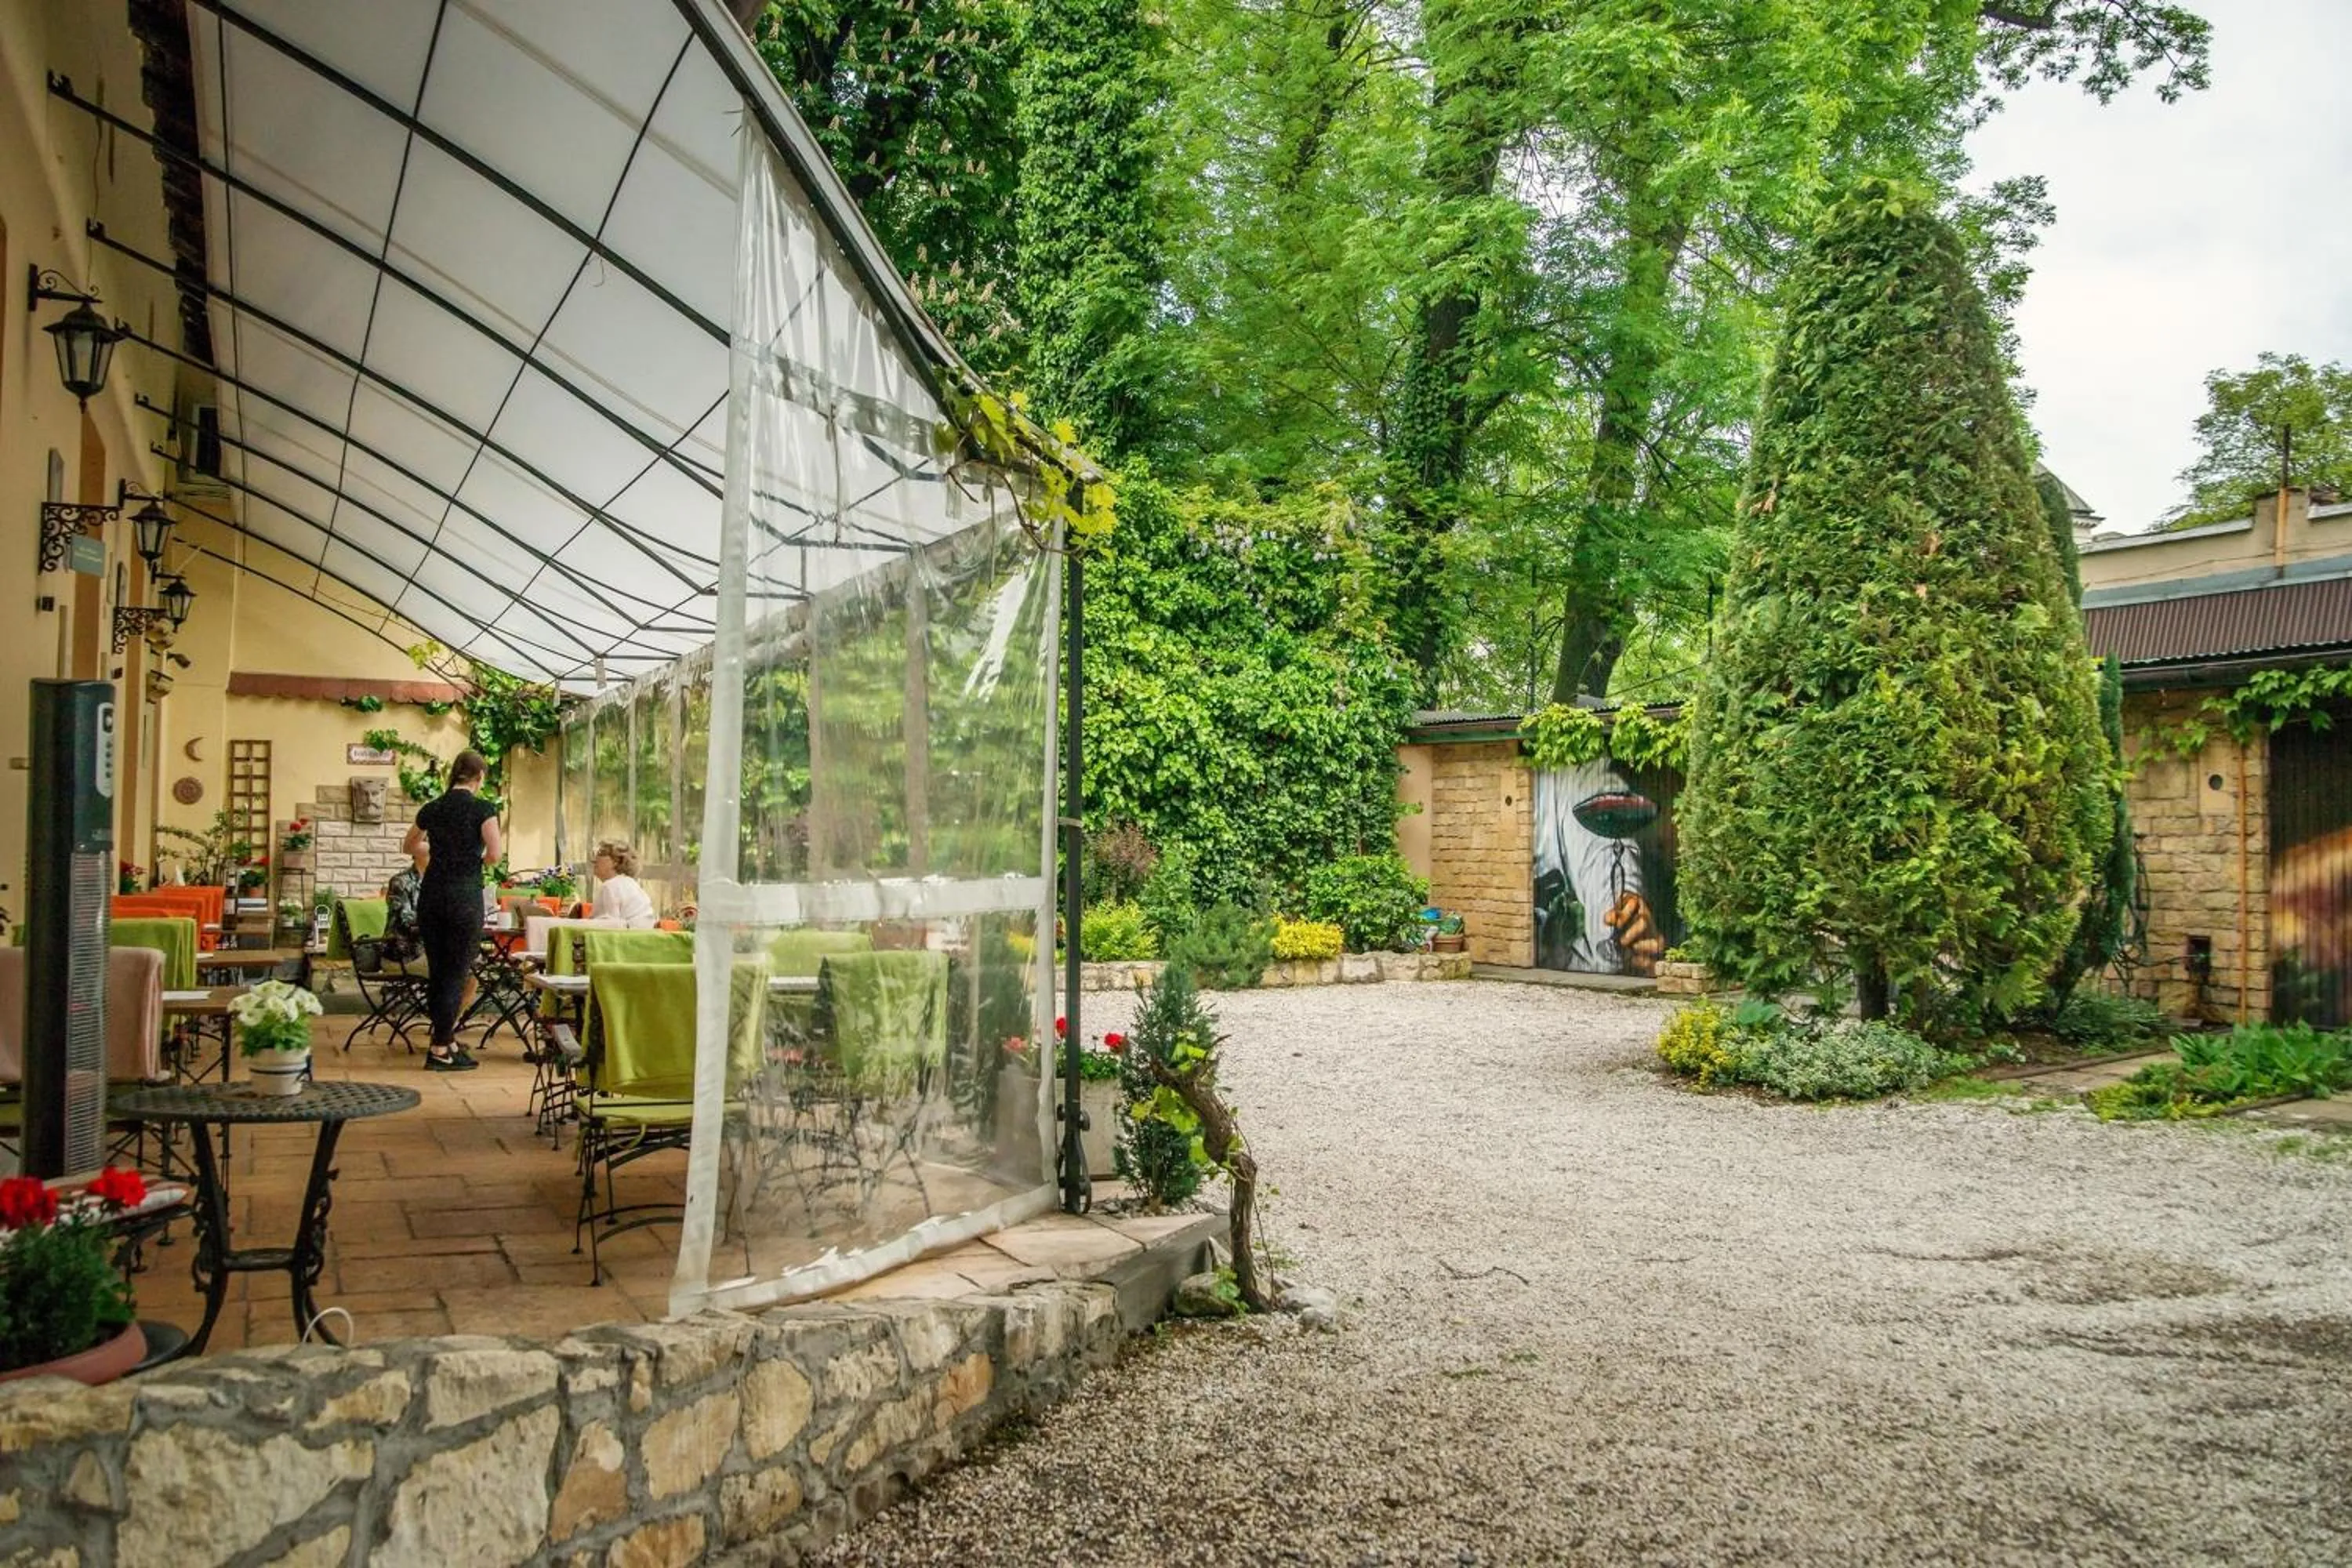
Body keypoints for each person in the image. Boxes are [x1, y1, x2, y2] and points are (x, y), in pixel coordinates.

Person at [404, 751, 503, 1071]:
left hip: (431, 896)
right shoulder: (483, 809)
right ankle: (438, 1049)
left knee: (439, 971)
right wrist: (470, 860)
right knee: (457, 972)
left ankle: (446, 1041)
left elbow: (409, 846)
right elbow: (495, 855)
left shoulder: (433, 808)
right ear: (480, 777)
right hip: (463, 897)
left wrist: (437, 855)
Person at [590, 841, 658, 928]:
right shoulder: (630, 883)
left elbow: (609, 925)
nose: (594, 860)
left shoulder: (610, 886)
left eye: (601, 854)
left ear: (616, 862)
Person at [381, 843, 426, 964]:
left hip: (431, 950)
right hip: (404, 953)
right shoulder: (400, 882)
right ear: (417, 851)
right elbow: (405, 919)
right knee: (461, 968)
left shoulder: (438, 882)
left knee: (472, 961)